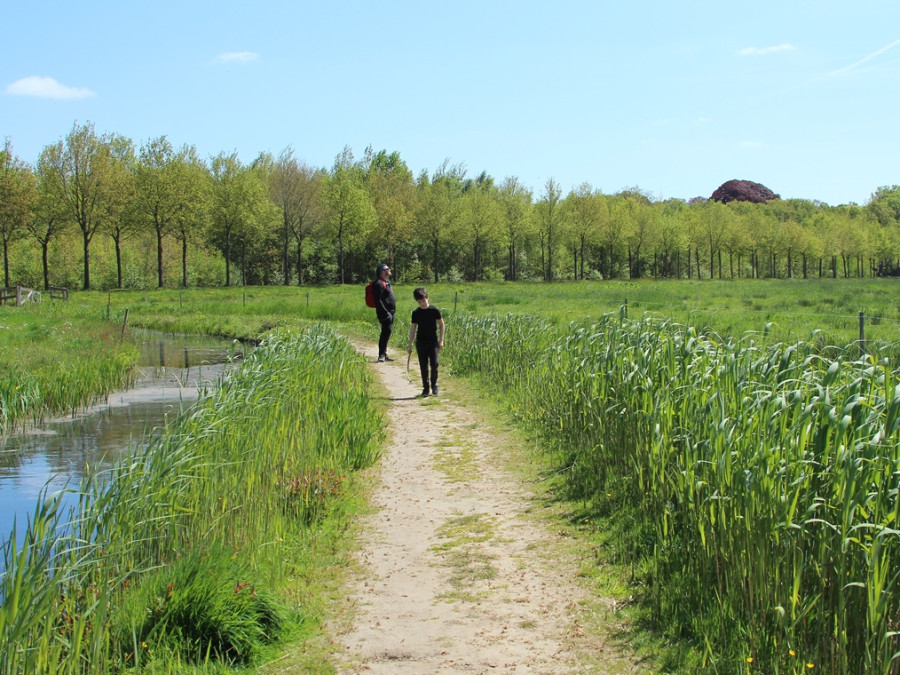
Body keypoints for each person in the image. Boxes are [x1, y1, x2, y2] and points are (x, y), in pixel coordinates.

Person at [407, 287, 445, 397]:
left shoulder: (434, 311)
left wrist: (441, 340)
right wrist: (410, 344)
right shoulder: (416, 313)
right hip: (421, 342)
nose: (422, 303)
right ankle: (425, 388)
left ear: (427, 298)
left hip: (433, 342)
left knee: (435, 364)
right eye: (419, 302)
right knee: (423, 366)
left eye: (423, 301)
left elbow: (442, 325)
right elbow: (413, 328)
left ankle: (434, 385)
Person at [372, 263, 396, 362]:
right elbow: (378, 300)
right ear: (382, 272)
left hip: (390, 312)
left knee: (387, 332)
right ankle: (381, 355)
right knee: (385, 333)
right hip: (385, 313)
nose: (389, 269)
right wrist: (386, 313)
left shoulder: (387, 282)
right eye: (387, 269)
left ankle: (384, 354)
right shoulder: (378, 283)